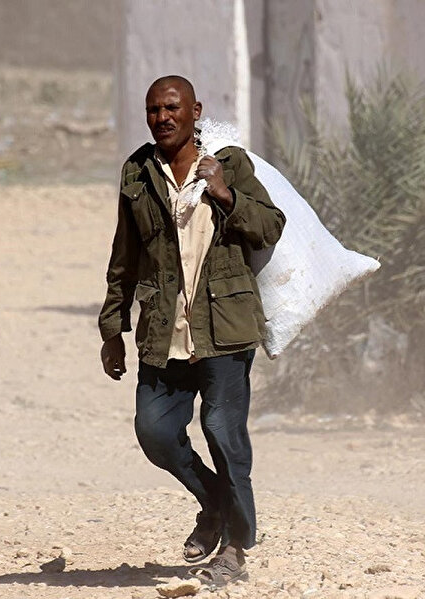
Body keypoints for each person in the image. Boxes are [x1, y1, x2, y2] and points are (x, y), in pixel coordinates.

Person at [98, 75, 285, 587]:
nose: (162, 117)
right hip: (164, 330)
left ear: (195, 111)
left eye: (172, 108)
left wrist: (226, 194)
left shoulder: (231, 164)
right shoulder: (136, 172)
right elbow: (125, 254)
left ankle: (234, 548)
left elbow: (270, 225)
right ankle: (215, 503)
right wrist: (113, 327)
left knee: (224, 432)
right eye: (153, 109)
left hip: (224, 325)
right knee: (154, 430)